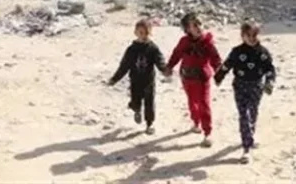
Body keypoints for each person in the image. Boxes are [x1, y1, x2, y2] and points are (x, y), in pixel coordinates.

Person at [214, 22, 276, 164]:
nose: (252, 38)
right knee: (244, 114)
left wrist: (269, 82)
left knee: (252, 112)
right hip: (240, 86)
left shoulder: (263, 53)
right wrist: (219, 76)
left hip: (256, 86)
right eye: (249, 35)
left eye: (255, 35)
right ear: (242, 36)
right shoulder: (237, 52)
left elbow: (270, 69)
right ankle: (246, 148)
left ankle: (250, 133)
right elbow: (227, 64)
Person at [164, 12, 222, 147]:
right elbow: (176, 54)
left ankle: (207, 132)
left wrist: (219, 74)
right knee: (192, 102)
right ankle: (196, 122)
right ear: (188, 29)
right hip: (187, 78)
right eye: (194, 25)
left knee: (204, 104)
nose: (199, 27)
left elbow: (215, 59)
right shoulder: (184, 42)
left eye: (200, 24)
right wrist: (169, 66)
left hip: (202, 79)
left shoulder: (208, 43)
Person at [107, 19, 166, 135]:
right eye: (141, 32)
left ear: (150, 33)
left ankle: (149, 124)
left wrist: (165, 69)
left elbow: (160, 61)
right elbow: (124, 66)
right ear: (135, 32)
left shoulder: (153, 48)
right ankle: (136, 109)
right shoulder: (131, 50)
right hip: (135, 81)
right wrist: (114, 79)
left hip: (149, 81)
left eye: (146, 33)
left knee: (149, 103)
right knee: (135, 100)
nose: (143, 35)